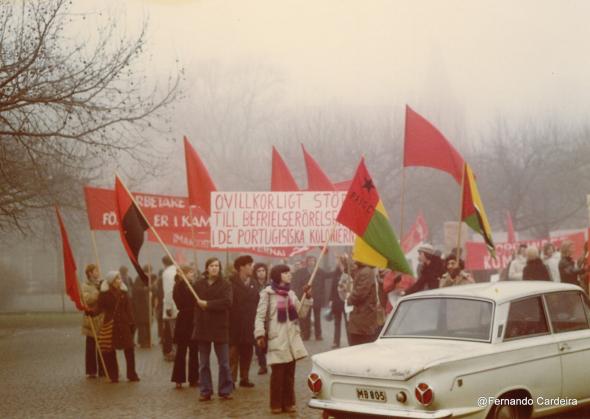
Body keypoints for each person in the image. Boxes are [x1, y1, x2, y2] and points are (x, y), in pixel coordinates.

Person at [254, 264, 312, 414]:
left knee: (289, 374)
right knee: (277, 374)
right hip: (277, 338)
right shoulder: (267, 294)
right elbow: (260, 316)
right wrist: (260, 334)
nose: (289, 275)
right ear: (278, 275)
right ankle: (275, 405)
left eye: (289, 272)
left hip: (291, 339)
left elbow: (301, 313)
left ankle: (289, 403)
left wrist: (308, 297)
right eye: (286, 273)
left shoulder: (291, 294)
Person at [192, 257, 233, 401]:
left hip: (220, 327)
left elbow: (227, 302)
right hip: (203, 328)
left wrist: (208, 304)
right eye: (212, 265)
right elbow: (190, 301)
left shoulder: (225, 285)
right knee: (203, 363)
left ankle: (225, 390)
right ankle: (205, 391)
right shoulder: (198, 284)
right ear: (207, 268)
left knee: (224, 363)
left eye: (217, 265)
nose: (215, 268)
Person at [97, 271, 139, 383]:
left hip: (124, 323)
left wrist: (132, 322)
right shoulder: (104, 294)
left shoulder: (124, 293)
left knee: (129, 349)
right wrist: (90, 311)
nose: (119, 281)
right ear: (111, 281)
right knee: (110, 351)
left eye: (119, 278)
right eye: (116, 279)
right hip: (111, 324)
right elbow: (99, 308)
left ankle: (132, 374)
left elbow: (128, 308)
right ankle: (113, 375)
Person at [228, 255, 258, 388]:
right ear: (241, 267)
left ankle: (244, 378)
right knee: (233, 354)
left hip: (249, 323)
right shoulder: (230, 282)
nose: (252, 268)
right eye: (249, 265)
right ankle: (231, 380)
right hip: (234, 324)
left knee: (247, 351)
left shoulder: (254, 283)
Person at [171, 265, 199, 389]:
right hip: (184, 320)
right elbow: (180, 302)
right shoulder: (178, 286)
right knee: (181, 352)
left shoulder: (193, 286)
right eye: (190, 273)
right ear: (183, 274)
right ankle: (178, 379)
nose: (192, 275)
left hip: (193, 321)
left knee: (194, 351)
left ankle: (194, 378)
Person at [292, 255, 328, 341]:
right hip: (306, 298)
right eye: (310, 261)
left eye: (313, 261)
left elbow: (329, 275)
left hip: (317, 298)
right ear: (307, 262)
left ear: (316, 262)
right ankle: (306, 334)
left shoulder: (319, 271)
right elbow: (296, 281)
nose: (311, 262)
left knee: (317, 317)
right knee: (306, 317)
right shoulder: (301, 272)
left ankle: (318, 335)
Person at [81, 264, 105, 378]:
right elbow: (87, 300)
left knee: (102, 345)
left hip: (101, 319)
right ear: (90, 273)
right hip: (91, 320)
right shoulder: (85, 286)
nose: (98, 273)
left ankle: (103, 369)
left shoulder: (101, 284)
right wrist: (97, 292)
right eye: (96, 270)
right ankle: (91, 371)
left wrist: (103, 289)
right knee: (91, 347)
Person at [347, 261, 379, 346]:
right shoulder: (363, 270)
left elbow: (360, 293)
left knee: (359, 345)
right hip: (362, 317)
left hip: (363, 316)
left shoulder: (366, 272)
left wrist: (349, 299)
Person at [252, 262, 269, 374]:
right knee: (258, 340)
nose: (261, 273)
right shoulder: (252, 285)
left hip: (268, 316)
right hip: (255, 316)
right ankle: (262, 365)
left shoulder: (270, 285)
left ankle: (265, 356)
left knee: (267, 342)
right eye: (259, 271)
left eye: (263, 271)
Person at [329, 255, 347, 348]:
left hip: (347, 301)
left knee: (348, 322)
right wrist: (330, 299)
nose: (338, 264)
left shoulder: (349, 272)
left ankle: (350, 341)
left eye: (339, 262)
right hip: (337, 301)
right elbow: (332, 287)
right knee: (337, 322)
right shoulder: (336, 273)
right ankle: (336, 342)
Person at [161, 255, 178, 361]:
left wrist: (168, 307)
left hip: (172, 306)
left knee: (173, 330)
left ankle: (176, 352)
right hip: (178, 305)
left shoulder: (167, 273)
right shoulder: (177, 269)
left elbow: (168, 291)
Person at [132, 265, 152, 348]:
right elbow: (136, 289)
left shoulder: (146, 278)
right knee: (142, 324)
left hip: (146, 305)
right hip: (140, 305)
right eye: (149, 271)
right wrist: (146, 289)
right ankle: (142, 341)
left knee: (147, 323)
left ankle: (148, 340)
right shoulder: (139, 278)